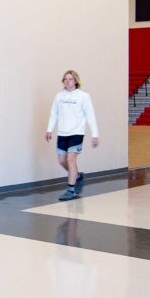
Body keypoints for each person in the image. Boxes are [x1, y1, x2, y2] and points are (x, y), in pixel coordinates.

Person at [46, 69, 98, 201]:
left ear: (76, 81)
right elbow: (54, 114)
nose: (67, 81)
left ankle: (71, 190)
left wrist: (95, 134)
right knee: (61, 161)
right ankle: (77, 176)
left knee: (71, 159)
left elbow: (90, 116)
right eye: (65, 79)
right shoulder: (59, 96)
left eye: (70, 79)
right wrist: (49, 129)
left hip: (77, 133)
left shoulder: (83, 96)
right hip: (62, 133)